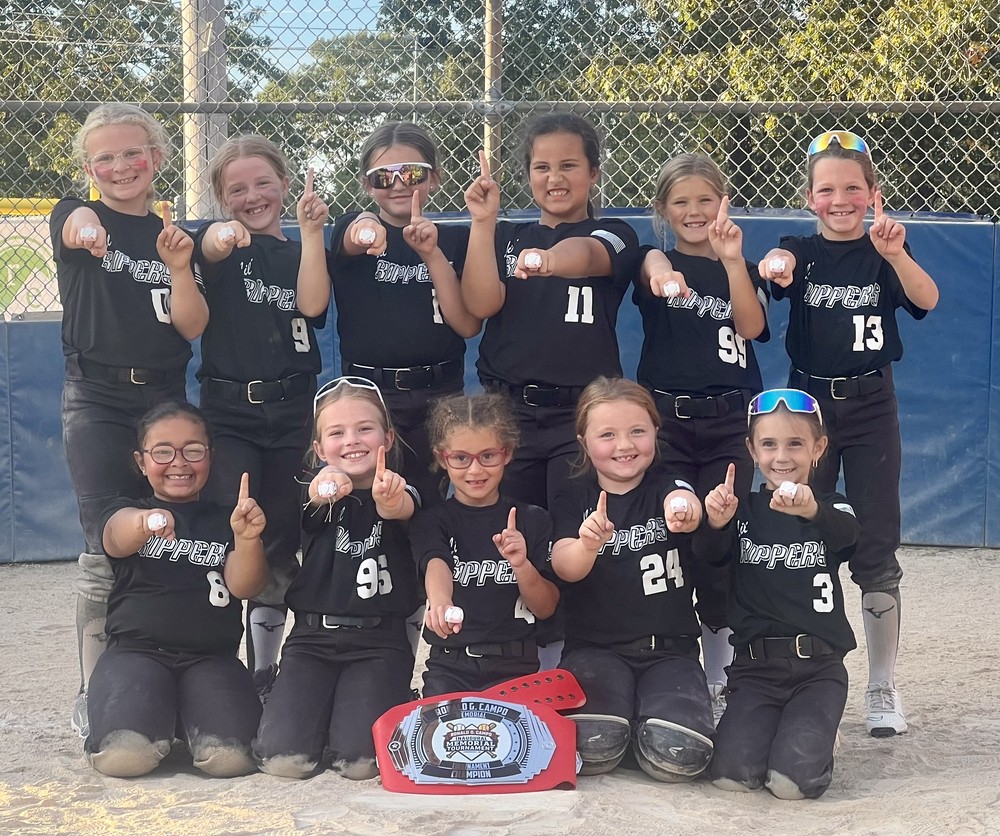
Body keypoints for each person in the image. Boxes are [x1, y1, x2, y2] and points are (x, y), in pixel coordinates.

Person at [758, 130, 939, 737]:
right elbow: (777, 267)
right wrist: (777, 265)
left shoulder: (884, 251)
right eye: (827, 189)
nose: (840, 200)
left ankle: (881, 684)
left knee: (875, 543)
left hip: (870, 405)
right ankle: (794, 674)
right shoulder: (801, 250)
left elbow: (928, 298)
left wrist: (897, 255)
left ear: (872, 193)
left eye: (852, 188)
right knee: (797, 530)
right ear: (809, 197)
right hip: (807, 410)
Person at [49, 103, 208, 739]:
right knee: (103, 541)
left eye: (132, 153)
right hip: (96, 396)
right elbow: (76, 223)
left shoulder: (172, 236)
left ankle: (171, 672)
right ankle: (96, 690)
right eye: (105, 158)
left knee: (172, 533)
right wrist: (89, 226)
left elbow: (191, 325)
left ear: (157, 158)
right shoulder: (74, 212)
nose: (120, 166)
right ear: (90, 169)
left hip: (164, 399)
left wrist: (179, 265)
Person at [635, 153, 771, 725]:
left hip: (728, 423)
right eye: (681, 201)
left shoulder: (743, 265)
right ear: (663, 209)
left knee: (719, 538)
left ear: (724, 203)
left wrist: (733, 260)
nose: (693, 211)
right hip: (667, 424)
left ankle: (720, 674)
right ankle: (670, 670)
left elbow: (752, 327)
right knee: (670, 536)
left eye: (705, 200)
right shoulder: (656, 261)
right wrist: (664, 272)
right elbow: (651, 264)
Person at [194, 135, 329, 698]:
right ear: (222, 199)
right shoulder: (218, 244)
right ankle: (212, 664)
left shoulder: (299, 251)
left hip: (293, 409)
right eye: (237, 189)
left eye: (263, 183)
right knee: (234, 530)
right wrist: (222, 234)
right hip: (231, 412)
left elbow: (313, 305)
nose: (252, 196)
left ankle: (265, 672)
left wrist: (314, 234)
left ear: (285, 185)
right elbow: (209, 247)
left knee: (282, 537)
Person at [462, 113, 643, 511]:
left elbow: (587, 255)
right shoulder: (506, 235)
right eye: (542, 167)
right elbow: (480, 305)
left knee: (576, 530)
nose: (554, 178)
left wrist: (549, 260)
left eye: (568, 166)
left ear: (593, 172)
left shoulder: (616, 232)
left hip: (580, 414)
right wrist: (482, 222)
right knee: (508, 530)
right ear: (528, 175)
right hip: (507, 411)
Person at [297, 121, 480, 508]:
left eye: (411, 173)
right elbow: (355, 233)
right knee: (370, 500)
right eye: (383, 177)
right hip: (372, 395)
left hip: (440, 390)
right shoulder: (351, 229)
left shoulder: (454, 240)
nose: (397, 184)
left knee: (427, 503)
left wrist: (432, 254)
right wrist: (369, 229)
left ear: (434, 178)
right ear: (367, 185)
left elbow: (467, 325)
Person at [87, 402, 268, 778]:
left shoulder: (226, 518)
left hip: (211, 659)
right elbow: (114, 536)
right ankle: (146, 715)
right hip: (136, 655)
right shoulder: (130, 509)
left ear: (210, 456)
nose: (179, 463)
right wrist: (145, 522)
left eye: (193, 450)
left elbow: (245, 586)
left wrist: (248, 539)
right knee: (125, 757)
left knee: (232, 759)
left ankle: (182, 718)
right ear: (141, 462)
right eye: (163, 452)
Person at [549, 377, 714, 783]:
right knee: (594, 745)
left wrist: (684, 510)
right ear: (584, 442)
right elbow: (564, 565)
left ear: (656, 431)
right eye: (607, 435)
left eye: (637, 431)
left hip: (670, 652)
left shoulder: (667, 483)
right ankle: (626, 720)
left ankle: (648, 717)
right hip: (595, 650)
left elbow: (684, 501)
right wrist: (587, 545)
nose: (624, 445)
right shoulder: (574, 496)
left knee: (678, 752)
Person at [253, 377, 419, 780]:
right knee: (283, 760)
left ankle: (365, 707)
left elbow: (403, 506)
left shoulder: (401, 490)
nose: (352, 441)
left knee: (359, 763)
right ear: (319, 448)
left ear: (387, 438)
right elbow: (314, 496)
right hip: (312, 640)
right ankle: (300, 704)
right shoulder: (310, 491)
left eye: (365, 429)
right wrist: (326, 484)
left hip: (379, 642)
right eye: (337, 433)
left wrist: (390, 500)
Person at [702, 388, 860, 799]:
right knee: (731, 777)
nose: (781, 456)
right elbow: (709, 557)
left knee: (791, 785)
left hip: (818, 671)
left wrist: (812, 510)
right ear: (752, 450)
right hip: (755, 671)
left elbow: (848, 536)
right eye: (769, 444)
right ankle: (783, 734)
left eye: (795, 444)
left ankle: (819, 737)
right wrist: (716, 522)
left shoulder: (831, 506)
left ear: (818, 448)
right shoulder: (743, 510)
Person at [412, 393, 559, 696]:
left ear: (507, 453)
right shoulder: (433, 520)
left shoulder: (533, 519)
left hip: (518, 667)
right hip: (450, 666)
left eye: (488, 456)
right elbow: (436, 562)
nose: (475, 470)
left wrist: (521, 565)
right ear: (441, 457)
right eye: (461, 458)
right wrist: (440, 601)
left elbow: (545, 608)